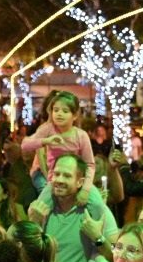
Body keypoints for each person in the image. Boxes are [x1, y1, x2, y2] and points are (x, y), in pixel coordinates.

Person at [28, 154, 118, 262]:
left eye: (67, 176)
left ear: (80, 182)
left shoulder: (94, 211)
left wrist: (97, 237)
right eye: (57, 174)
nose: (60, 180)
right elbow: (27, 257)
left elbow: (115, 259)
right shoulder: (42, 210)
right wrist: (33, 223)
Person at [20, 91, 103, 221]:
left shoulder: (80, 135)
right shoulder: (47, 129)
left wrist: (85, 189)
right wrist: (46, 141)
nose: (59, 114)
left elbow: (90, 164)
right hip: (55, 181)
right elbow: (25, 145)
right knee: (37, 210)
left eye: (65, 111)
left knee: (97, 205)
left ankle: (98, 236)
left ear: (74, 115)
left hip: (77, 180)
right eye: (56, 110)